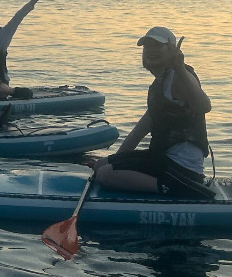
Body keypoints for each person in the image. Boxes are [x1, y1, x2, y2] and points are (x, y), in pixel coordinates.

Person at [88, 26, 213, 198]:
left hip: (182, 168)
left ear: (172, 51)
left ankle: (181, 189)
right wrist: (117, 159)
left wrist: (180, 68)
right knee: (100, 166)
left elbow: (204, 106)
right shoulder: (159, 84)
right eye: (147, 46)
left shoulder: (179, 77)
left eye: (157, 46)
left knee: (105, 174)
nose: (150, 50)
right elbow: (140, 130)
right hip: (163, 160)